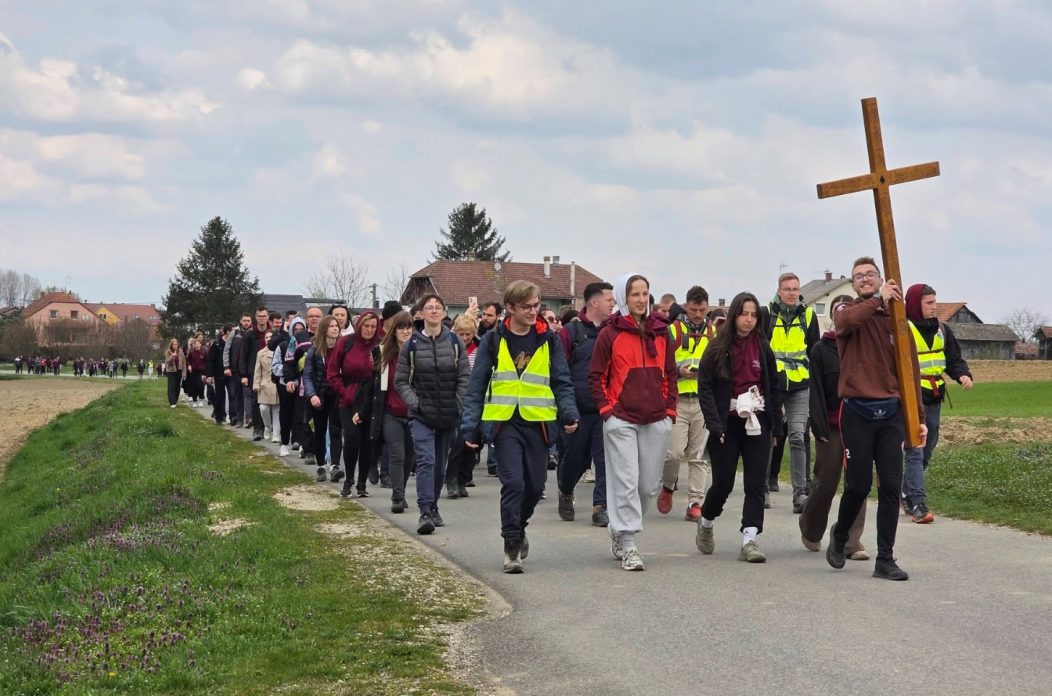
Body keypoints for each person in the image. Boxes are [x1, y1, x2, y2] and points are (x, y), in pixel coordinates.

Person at [462, 281, 580, 573]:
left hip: (538, 423)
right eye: (526, 306)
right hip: (504, 423)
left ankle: (521, 525)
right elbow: (476, 387)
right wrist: (470, 427)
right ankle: (511, 545)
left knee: (535, 486)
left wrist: (569, 412)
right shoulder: (493, 340)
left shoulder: (548, 340)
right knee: (513, 483)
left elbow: (561, 381)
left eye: (536, 305)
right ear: (510, 308)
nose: (532, 311)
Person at [826, 257, 927, 582]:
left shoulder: (897, 322)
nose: (865, 279)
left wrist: (919, 418)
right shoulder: (848, 312)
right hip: (857, 411)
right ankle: (840, 535)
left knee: (890, 487)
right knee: (858, 486)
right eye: (859, 277)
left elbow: (911, 374)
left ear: (882, 279)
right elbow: (846, 323)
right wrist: (876, 299)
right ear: (854, 284)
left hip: (891, 414)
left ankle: (885, 558)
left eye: (871, 275)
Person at [588, 273, 676, 571]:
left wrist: (670, 411)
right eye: (635, 293)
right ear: (625, 298)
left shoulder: (662, 332)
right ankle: (629, 544)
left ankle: (619, 525)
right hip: (621, 419)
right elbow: (596, 376)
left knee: (647, 486)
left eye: (645, 293)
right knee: (625, 482)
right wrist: (606, 411)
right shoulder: (609, 334)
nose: (641, 299)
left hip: (656, 419)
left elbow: (671, 374)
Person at [694, 292, 782, 563]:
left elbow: (774, 385)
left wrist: (776, 427)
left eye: (754, 315)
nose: (749, 319)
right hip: (726, 423)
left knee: (756, 482)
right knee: (724, 482)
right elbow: (705, 387)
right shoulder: (717, 347)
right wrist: (714, 423)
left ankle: (750, 538)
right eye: (744, 313)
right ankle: (706, 522)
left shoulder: (763, 346)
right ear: (734, 315)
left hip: (756, 422)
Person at [395, 294, 471, 535]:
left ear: (444, 312)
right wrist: (416, 404)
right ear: (422, 313)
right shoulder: (412, 346)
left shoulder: (455, 342)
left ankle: (434, 505)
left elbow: (465, 377)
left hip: (448, 414)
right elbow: (401, 382)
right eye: (429, 307)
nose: (434, 311)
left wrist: (457, 403)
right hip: (422, 415)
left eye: (438, 307)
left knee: (440, 465)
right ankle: (425, 511)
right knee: (426, 461)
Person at [798, 297, 868, 558]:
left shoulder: (863, 345)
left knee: (857, 483)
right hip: (831, 424)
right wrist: (817, 426)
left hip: (860, 422)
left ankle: (850, 541)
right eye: (839, 311)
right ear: (832, 317)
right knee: (826, 481)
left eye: (848, 311)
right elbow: (814, 390)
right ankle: (811, 528)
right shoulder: (821, 349)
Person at [902, 283, 973, 524]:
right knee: (915, 447)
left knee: (929, 444)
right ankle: (917, 502)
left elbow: (954, 358)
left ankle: (905, 491)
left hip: (933, 395)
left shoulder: (943, 329)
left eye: (935, 302)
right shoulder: (903, 329)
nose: (935, 307)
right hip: (911, 395)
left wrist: (963, 374)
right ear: (915, 304)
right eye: (929, 303)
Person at [556, 281, 615, 526]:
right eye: (609, 299)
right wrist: (566, 410)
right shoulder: (570, 332)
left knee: (605, 461)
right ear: (593, 302)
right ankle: (566, 490)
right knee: (575, 461)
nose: (613, 303)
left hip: (606, 409)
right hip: (578, 410)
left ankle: (600, 506)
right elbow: (560, 373)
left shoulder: (613, 331)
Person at [761, 273, 820, 513]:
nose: (792, 293)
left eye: (795, 289)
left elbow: (815, 351)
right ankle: (761, 489)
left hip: (799, 385)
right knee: (767, 438)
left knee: (797, 436)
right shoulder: (766, 314)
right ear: (779, 290)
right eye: (787, 289)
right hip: (772, 385)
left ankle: (800, 494)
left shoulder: (808, 315)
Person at [657, 285, 717, 521]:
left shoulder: (713, 333)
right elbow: (662, 364)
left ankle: (695, 502)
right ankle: (669, 486)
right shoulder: (673, 331)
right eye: (694, 309)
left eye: (702, 310)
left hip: (703, 401)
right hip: (678, 400)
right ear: (686, 305)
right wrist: (680, 372)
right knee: (672, 454)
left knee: (698, 455)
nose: (698, 314)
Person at [361, 311, 415, 512]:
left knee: (410, 457)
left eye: (409, 327)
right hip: (390, 412)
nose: (406, 331)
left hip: (413, 413)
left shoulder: (419, 352)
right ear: (394, 330)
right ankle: (397, 497)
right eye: (401, 327)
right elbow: (373, 386)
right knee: (397, 454)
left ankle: (400, 489)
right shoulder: (382, 353)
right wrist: (365, 411)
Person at [327, 311, 381, 497]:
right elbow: (332, 372)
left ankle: (362, 484)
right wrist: (344, 391)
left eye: (373, 326)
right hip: (348, 397)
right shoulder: (346, 342)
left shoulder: (379, 345)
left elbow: (383, 373)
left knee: (367, 441)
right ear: (359, 325)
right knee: (352, 438)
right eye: (366, 326)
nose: (369, 330)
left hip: (371, 397)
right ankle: (349, 479)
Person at [446, 314, 480, 499]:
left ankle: (464, 478)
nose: (465, 338)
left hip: (474, 401)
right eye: (461, 333)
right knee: (458, 442)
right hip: (455, 399)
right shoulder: (450, 349)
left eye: (468, 334)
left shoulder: (479, 349)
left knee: (472, 444)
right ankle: (451, 478)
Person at [302, 316, 343, 474]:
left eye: (336, 326)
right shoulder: (315, 349)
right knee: (319, 430)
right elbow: (307, 375)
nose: (335, 328)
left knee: (335, 429)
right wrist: (312, 395)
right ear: (324, 329)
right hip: (320, 394)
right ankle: (320, 465)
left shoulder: (342, 348)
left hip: (337, 395)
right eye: (331, 326)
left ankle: (335, 465)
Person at [224, 314, 252, 427]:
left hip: (248, 369)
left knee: (249, 395)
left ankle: (249, 418)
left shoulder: (252, 333)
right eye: (244, 320)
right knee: (238, 395)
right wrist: (226, 366)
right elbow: (227, 350)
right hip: (235, 369)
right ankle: (239, 418)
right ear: (240, 321)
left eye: (248, 321)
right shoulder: (235, 333)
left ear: (251, 322)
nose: (246, 322)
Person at [206, 325, 232, 425]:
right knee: (220, 395)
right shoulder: (217, 344)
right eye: (231, 331)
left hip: (231, 373)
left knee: (232, 394)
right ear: (226, 332)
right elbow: (210, 360)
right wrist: (209, 375)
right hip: (219, 373)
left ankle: (232, 416)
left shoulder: (233, 343)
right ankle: (219, 416)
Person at [163, 339, 186, 408]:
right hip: (171, 371)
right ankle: (172, 402)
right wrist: (172, 356)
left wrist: (184, 373)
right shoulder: (168, 352)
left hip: (179, 371)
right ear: (171, 345)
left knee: (177, 386)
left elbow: (184, 363)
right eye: (173, 344)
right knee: (171, 386)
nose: (175, 345)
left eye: (176, 344)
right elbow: (167, 362)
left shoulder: (181, 352)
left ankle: (175, 400)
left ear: (178, 345)